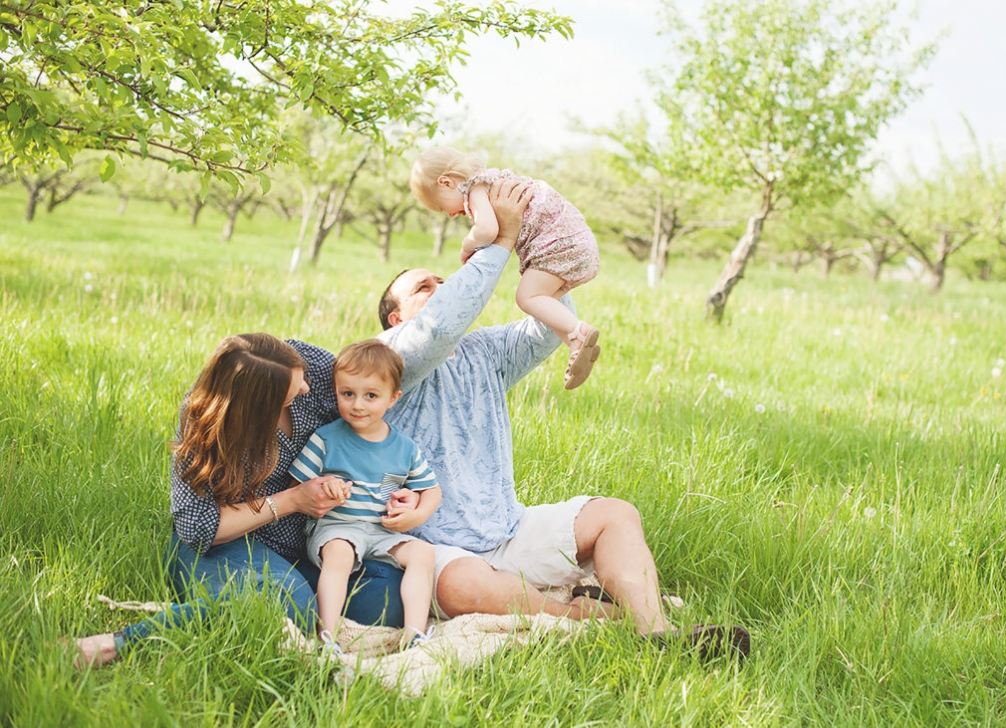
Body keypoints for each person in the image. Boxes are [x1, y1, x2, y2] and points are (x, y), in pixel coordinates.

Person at [378, 178, 750, 659]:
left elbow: (546, 329)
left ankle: (656, 635)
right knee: (459, 586)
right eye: (424, 287)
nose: (443, 288)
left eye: (444, 281)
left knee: (615, 514)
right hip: (438, 545)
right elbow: (442, 324)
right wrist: (500, 241)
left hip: (507, 530)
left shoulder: (482, 350)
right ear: (394, 317)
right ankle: (588, 617)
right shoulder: (386, 360)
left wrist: (537, 249)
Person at [74, 334, 405, 667]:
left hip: (309, 543)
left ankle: (252, 601)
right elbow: (198, 528)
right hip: (230, 544)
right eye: (291, 394)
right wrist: (291, 500)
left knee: (388, 596)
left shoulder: (313, 367)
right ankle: (118, 644)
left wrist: (399, 491)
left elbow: (371, 423)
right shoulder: (207, 422)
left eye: (301, 377)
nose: (306, 389)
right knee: (290, 603)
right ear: (256, 409)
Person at [289, 339, 441, 652]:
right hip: (337, 528)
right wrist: (325, 484)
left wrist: (417, 514)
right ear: (337, 392)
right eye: (348, 394)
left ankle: (415, 634)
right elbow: (297, 486)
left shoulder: (404, 447)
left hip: (381, 530)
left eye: (371, 396)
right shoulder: (327, 438)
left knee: (423, 554)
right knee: (341, 554)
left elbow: (432, 490)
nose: (358, 405)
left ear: (393, 398)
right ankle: (327, 634)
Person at [410, 146, 601, 390]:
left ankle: (578, 331)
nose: (449, 214)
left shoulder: (476, 188)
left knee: (527, 298)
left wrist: (467, 244)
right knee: (546, 303)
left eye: (440, 206)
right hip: (577, 240)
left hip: (559, 243)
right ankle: (576, 345)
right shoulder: (493, 181)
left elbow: (488, 230)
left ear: (446, 183)